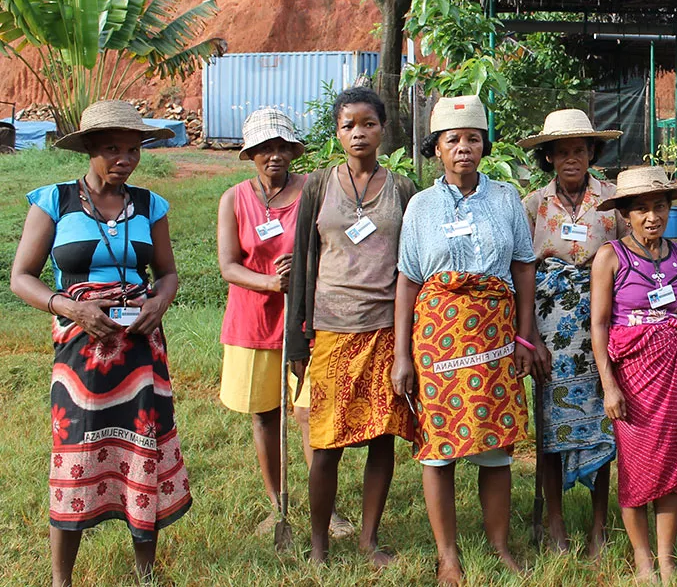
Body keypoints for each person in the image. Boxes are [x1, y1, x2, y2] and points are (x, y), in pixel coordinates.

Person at [9, 101, 191, 586]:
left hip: (140, 350)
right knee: (76, 451)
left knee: (141, 450)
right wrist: (71, 308)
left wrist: (160, 303)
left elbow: (168, 273)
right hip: (80, 352)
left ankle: (145, 572)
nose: (124, 159)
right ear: (88, 149)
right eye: (112, 148)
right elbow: (20, 279)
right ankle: (60, 580)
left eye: (133, 149)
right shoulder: (55, 201)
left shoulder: (152, 205)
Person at [390, 95, 550, 586]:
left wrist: (526, 336)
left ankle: (499, 545)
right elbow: (408, 280)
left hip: (496, 335)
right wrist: (401, 356)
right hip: (438, 341)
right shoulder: (421, 205)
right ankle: (448, 556)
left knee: (495, 449)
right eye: (452, 139)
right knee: (438, 449)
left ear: (485, 145)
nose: (463, 147)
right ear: (436, 148)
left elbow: (523, 267)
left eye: (473, 138)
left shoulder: (505, 198)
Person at [285, 87, 417, 567]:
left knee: (382, 438)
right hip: (332, 331)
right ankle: (319, 546)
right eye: (348, 125)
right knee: (326, 442)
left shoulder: (404, 189)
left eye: (368, 123)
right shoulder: (318, 187)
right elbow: (303, 261)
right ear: (337, 133)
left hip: (385, 331)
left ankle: (368, 540)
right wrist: (298, 338)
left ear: (383, 129)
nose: (358, 132)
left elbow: (414, 266)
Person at [216, 108, 353, 538]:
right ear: (251, 154)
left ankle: (324, 510)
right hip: (252, 321)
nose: (273, 156)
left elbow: (333, 241)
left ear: (292, 152)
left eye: (280, 148)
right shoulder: (234, 198)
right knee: (264, 415)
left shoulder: (313, 188)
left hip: (307, 320)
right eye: (263, 149)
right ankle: (278, 506)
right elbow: (228, 266)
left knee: (310, 413)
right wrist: (272, 281)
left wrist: (305, 270)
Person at [590, 166, 677, 584]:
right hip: (634, 380)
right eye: (641, 209)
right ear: (625, 214)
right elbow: (600, 326)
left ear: (669, 209)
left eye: (659, 206)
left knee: (673, 468)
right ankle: (643, 560)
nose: (651, 217)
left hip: (676, 377)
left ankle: (666, 558)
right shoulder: (611, 257)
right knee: (638, 467)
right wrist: (609, 386)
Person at [519, 109, 623, 555]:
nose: (571, 159)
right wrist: (532, 339)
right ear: (549, 157)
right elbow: (521, 273)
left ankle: (600, 525)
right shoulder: (531, 205)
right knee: (550, 426)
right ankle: (555, 521)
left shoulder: (616, 200)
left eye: (579, 150)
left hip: (601, 327)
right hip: (550, 332)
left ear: (592, 152)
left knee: (603, 422)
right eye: (561, 152)